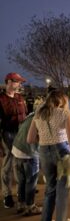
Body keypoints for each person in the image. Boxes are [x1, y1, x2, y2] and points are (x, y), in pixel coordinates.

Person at [27, 90, 70, 221]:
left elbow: (30, 139)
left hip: (43, 151)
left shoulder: (38, 112)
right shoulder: (65, 113)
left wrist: (44, 140)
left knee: (50, 188)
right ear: (62, 101)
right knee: (62, 189)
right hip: (61, 151)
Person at [0, 72, 27, 208]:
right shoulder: (1, 99)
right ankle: (7, 195)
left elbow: (25, 115)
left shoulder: (20, 97)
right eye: (17, 82)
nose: (19, 84)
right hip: (8, 134)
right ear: (9, 82)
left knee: (21, 162)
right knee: (9, 163)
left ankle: (22, 190)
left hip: (21, 134)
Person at [12, 112, 42, 216]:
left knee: (22, 180)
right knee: (31, 181)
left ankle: (21, 204)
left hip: (16, 150)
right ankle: (30, 206)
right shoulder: (43, 118)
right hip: (29, 153)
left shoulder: (31, 115)